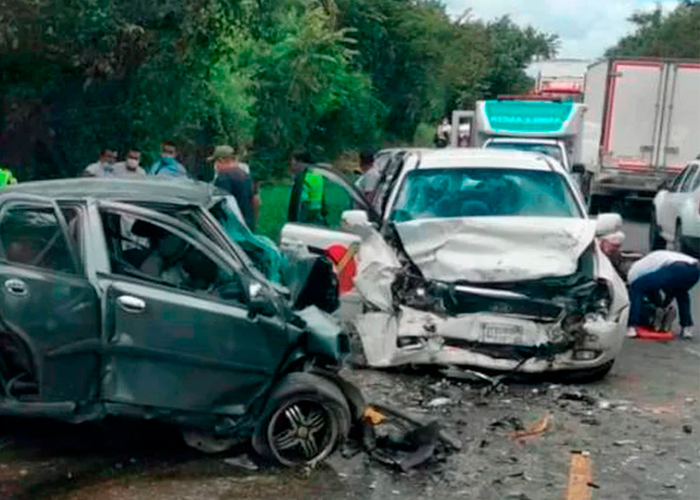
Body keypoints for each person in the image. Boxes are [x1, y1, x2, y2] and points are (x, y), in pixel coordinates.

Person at [627, 250, 700, 339]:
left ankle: (632, 327)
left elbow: (641, 290)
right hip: (694, 270)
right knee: (680, 292)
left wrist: (657, 303)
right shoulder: (649, 262)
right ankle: (686, 328)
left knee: (636, 287)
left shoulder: (633, 272)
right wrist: (664, 303)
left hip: (675, 268)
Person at [211, 145, 256, 230]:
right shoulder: (245, 175)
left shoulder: (223, 178)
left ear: (221, 160)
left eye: (216, 161)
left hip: (232, 227)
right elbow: (255, 200)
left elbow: (223, 205)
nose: (215, 165)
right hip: (247, 224)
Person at [291, 152, 325, 225]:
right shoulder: (317, 175)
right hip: (317, 209)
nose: (293, 167)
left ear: (300, 163)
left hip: (306, 211)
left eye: (294, 163)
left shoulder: (303, 178)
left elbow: (302, 200)